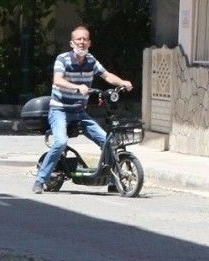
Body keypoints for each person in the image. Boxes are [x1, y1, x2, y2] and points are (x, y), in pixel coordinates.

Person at [33, 26, 134, 193]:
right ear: (72, 43)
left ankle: (112, 182)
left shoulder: (91, 60)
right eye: (78, 39)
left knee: (109, 142)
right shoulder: (63, 59)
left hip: (79, 111)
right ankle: (40, 180)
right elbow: (57, 80)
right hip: (60, 110)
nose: (82, 42)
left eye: (85, 39)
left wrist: (123, 82)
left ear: (89, 43)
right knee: (61, 142)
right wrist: (77, 87)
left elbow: (107, 75)